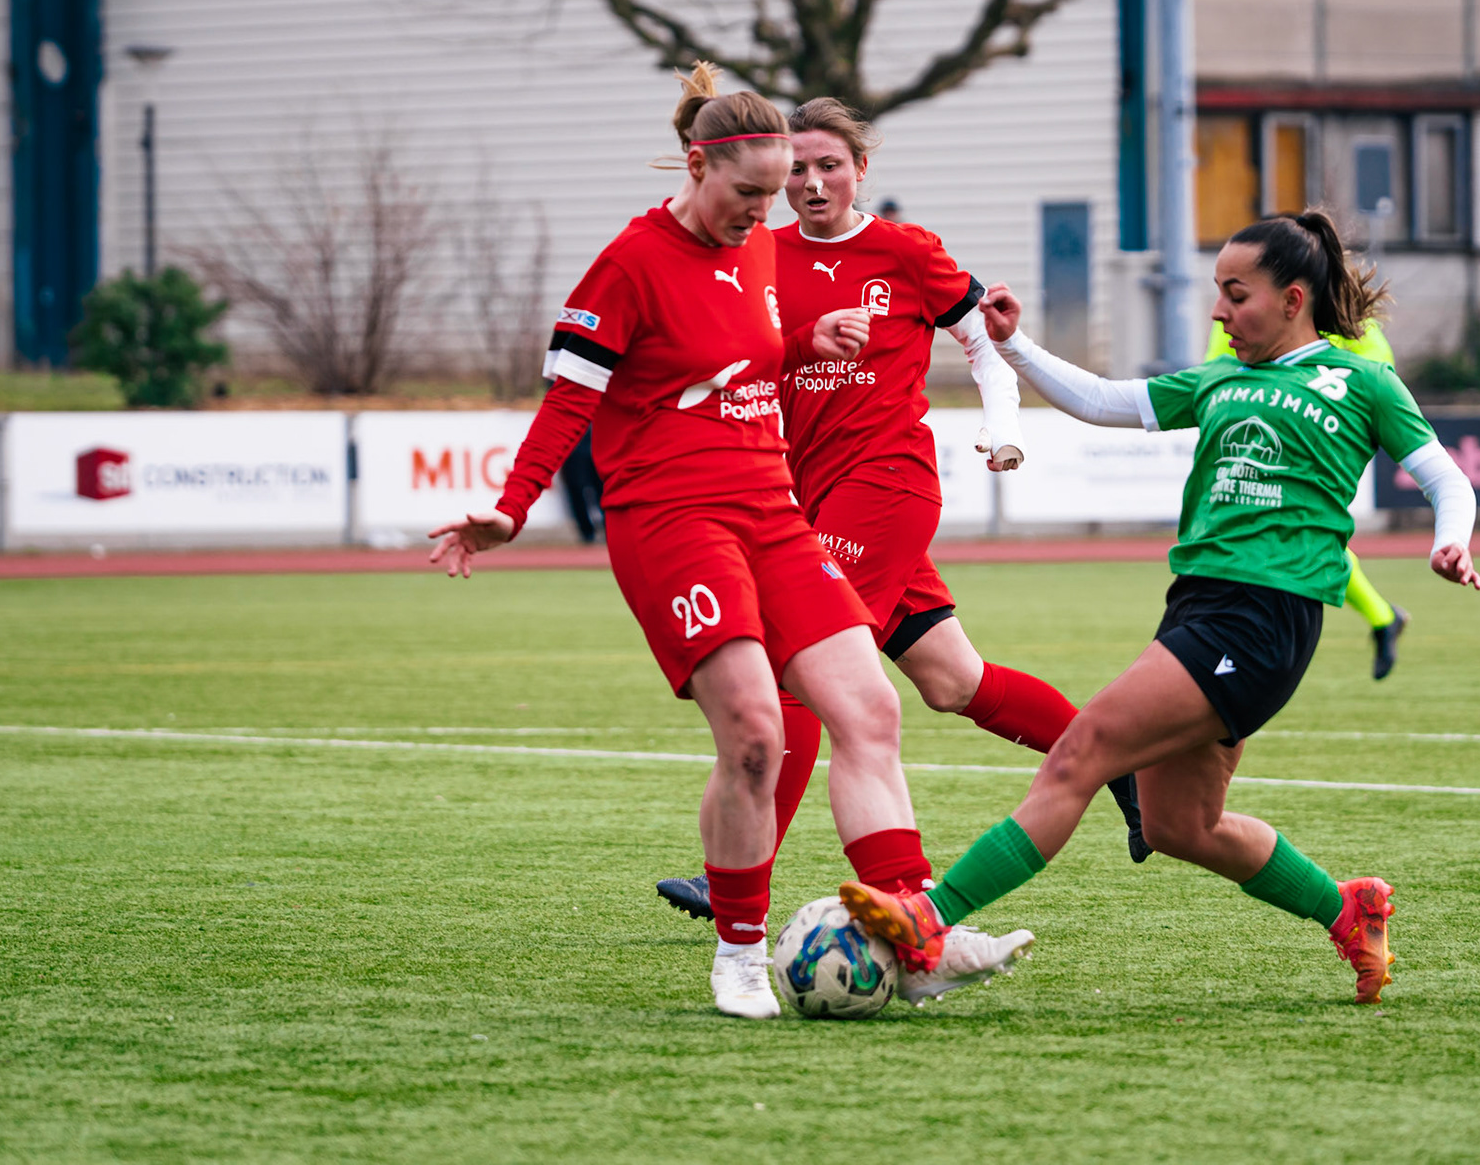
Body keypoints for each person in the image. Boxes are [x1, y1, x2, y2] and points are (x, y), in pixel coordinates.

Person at [427, 63, 1032, 1019]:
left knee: (870, 711)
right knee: (755, 730)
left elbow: (730, 359)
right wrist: (512, 504)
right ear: (699, 167)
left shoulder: (754, 253)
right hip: (671, 519)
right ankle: (741, 953)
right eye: (752, 192)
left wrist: (802, 342)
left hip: (771, 512)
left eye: (777, 189)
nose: (768, 211)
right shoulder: (629, 261)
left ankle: (921, 939)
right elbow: (572, 399)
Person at [838, 210, 1480, 1006]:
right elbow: (1106, 400)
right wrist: (1013, 343)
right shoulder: (1222, 380)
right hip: (1199, 613)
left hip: (1262, 618)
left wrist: (1450, 540)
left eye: (1235, 295)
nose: (1218, 311)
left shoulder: (1362, 383)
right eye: (1216, 292)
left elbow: (1446, 478)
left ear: (1293, 298)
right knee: (1183, 826)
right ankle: (1346, 908)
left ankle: (929, 917)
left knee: (1081, 752)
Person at [655, 98, 1151, 933]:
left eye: (830, 167)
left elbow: (985, 341)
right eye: (799, 170)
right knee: (953, 682)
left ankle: (741, 875)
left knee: (797, 664)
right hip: (803, 493)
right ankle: (1115, 761)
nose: (813, 185)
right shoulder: (758, 256)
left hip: (888, 487)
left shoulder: (905, 251)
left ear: (861, 170)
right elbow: (739, 362)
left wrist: (1002, 431)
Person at [1209, 317, 1408, 678]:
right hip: (1271, 427)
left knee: (1302, 530)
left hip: (1318, 433)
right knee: (1299, 531)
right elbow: (1216, 368)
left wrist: (1321, 390)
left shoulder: (1334, 299)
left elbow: (1380, 365)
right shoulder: (1245, 304)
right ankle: (1383, 617)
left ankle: (1382, 618)